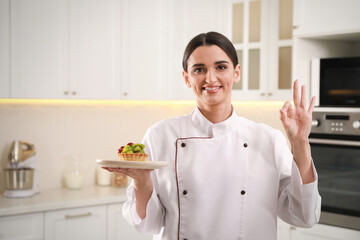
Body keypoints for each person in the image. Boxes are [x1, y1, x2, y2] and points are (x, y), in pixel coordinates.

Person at [105, 31, 321, 240]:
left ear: (236, 73)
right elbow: (146, 224)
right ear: (187, 78)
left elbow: (304, 216)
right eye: (199, 69)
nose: (210, 78)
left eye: (221, 67)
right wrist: (142, 182)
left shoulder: (268, 139)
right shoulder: (160, 135)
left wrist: (300, 143)